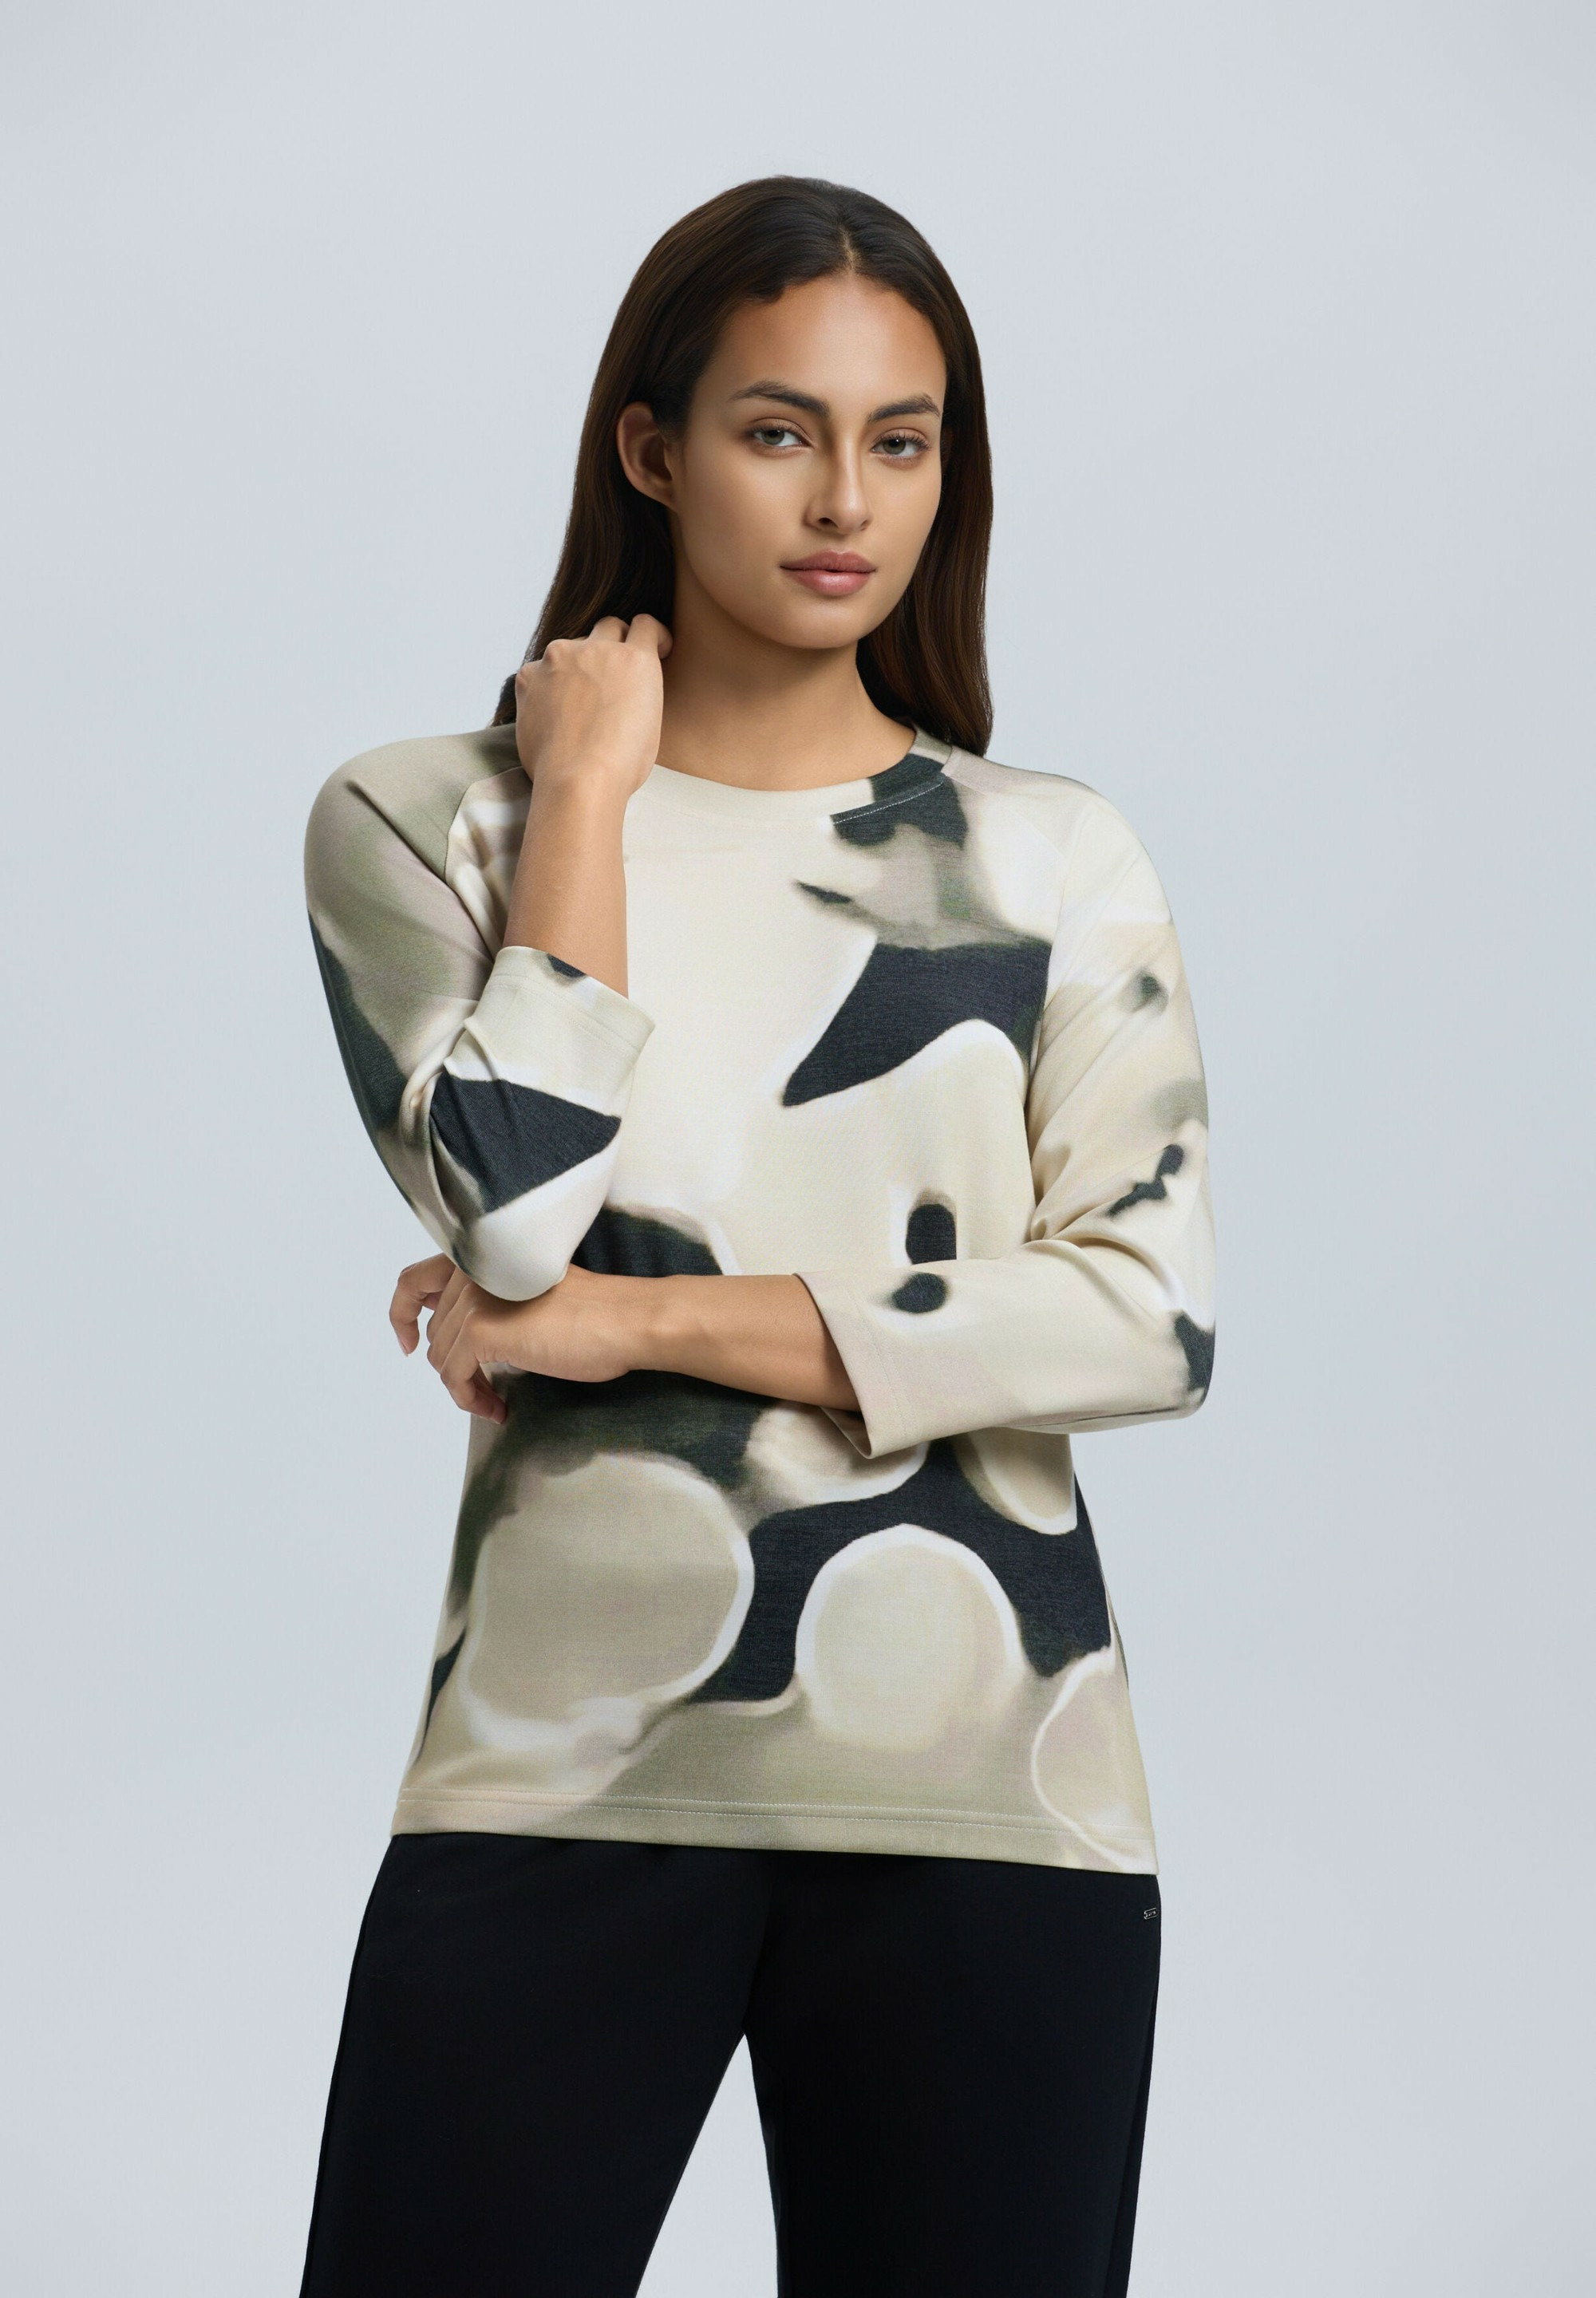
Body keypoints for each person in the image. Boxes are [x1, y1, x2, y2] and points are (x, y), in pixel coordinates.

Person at [298, 173, 1215, 2298]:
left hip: (989, 1788)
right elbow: (516, 1216)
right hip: (560, 1774)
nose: (847, 502)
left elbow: (1147, 1319)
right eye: (779, 431)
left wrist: (634, 1324)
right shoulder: (428, 822)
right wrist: (590, 795)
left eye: (904, 440)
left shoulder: (1048, 858)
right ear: (652, 447)